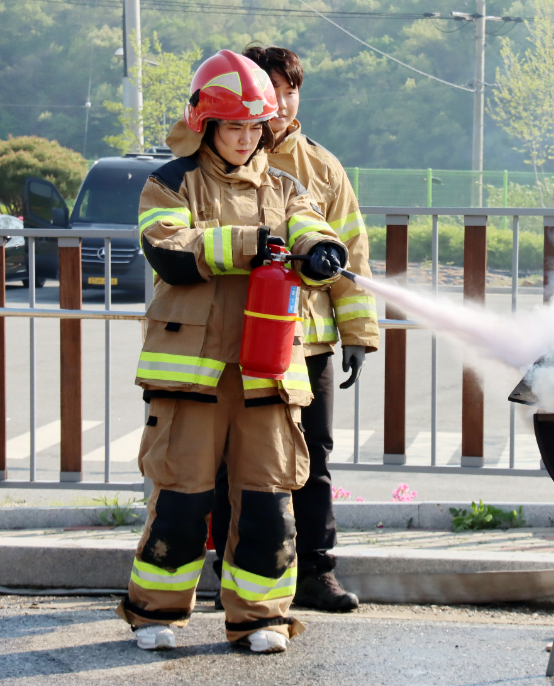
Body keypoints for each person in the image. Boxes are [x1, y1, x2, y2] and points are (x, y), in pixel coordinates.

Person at [116, 49, 350, 653]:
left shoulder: (286, 186)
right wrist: (253, 243)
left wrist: (319, 250)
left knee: (269, 501)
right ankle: (155, 613)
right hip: (192, 375)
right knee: (182, 497)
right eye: (234, 127)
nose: (247, 139)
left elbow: (309, 225)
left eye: (255, 126)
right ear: (206, 125)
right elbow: (170, 249)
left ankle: (260, 618)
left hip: (266, 372)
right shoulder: (170, 182)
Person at [209, 45, 380, 613]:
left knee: (313, 456)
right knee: (235, 458)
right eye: (271, 90)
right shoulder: (220, 161)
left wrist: (358, 334)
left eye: (291, 91)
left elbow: (351, 252)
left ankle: (315, 571)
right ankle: (233, 570)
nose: (282, 103)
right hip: (244, 336)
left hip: (308, 340)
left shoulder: (323, 168)